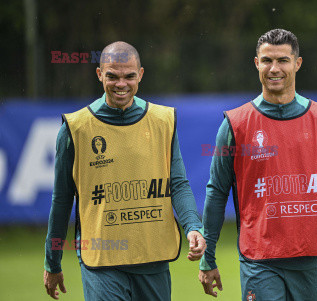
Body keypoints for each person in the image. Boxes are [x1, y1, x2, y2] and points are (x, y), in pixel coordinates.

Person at [198, 29, 317, 300]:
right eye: (267, 61)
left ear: (297, 64)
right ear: (256, 64)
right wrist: (208, 257)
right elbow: (216, 192)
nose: (274, 68)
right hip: (259, 259)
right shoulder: (235, 124)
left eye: (283, 60)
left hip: (310, 259)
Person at [43, 41, 206, 301]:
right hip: (102, 261)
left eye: (129, 76)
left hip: (153, 257)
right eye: (112, 76)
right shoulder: (76, 128)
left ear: (140, 74)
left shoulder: (163, 121)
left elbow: (177, 183)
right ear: (99, 75)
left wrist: (193, 227)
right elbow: (62, 199)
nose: (121, 84)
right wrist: (52, 261)